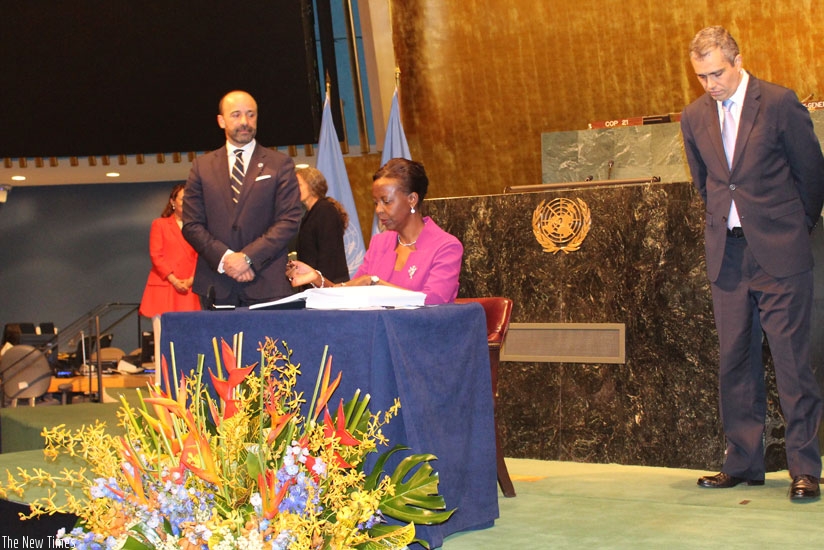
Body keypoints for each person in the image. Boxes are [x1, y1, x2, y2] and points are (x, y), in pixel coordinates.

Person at [680, 26, 824, 499]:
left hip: (781, 253)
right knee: (735, 362)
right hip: (729, 256)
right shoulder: (694, 116)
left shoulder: (780, 104)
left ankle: (805, 468)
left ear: (739, 60)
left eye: (717, 72)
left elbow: (812, 176)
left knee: (792, 364)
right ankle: (743, 463)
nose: (710, 84)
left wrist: (792, 229)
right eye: (701, 76)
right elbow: (707, 185)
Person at [182, 90, 302, 307]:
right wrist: (226, 258)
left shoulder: (280, 164)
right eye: (236, 115)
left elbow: (289, 221)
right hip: (216, 286)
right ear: (221, 121)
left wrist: (247, 258)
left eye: (251, 114)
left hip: (268, 284)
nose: (245, 121)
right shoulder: (202, 167)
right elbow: (191, 225)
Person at [286, 158, 462, 304]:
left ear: (412, 199)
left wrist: (375, 283)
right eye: (375, 203)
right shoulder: (380, 243)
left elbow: (433, 302)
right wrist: (316, 278)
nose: (378, 210)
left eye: (386, 201)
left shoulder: (446, 246)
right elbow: (351, 292)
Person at [139, 183, 201, 372]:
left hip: (190, 289)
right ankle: (162, 385)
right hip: (165, 288)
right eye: (183, 199)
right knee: (162, 339)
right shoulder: (160, 224)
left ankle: (189, 383)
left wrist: (191, 279)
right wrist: (174, 279)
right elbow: (156, 255)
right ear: (173, 202)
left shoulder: (198, 227)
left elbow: (203, 255)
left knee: (190, 339)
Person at [294, 166, 350, 284]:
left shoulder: (325, 210)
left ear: (312, 184)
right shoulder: (310, 213)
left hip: (328, 286)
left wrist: (321, 284)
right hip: (316, 284)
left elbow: (328, 254)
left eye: (299, 185)